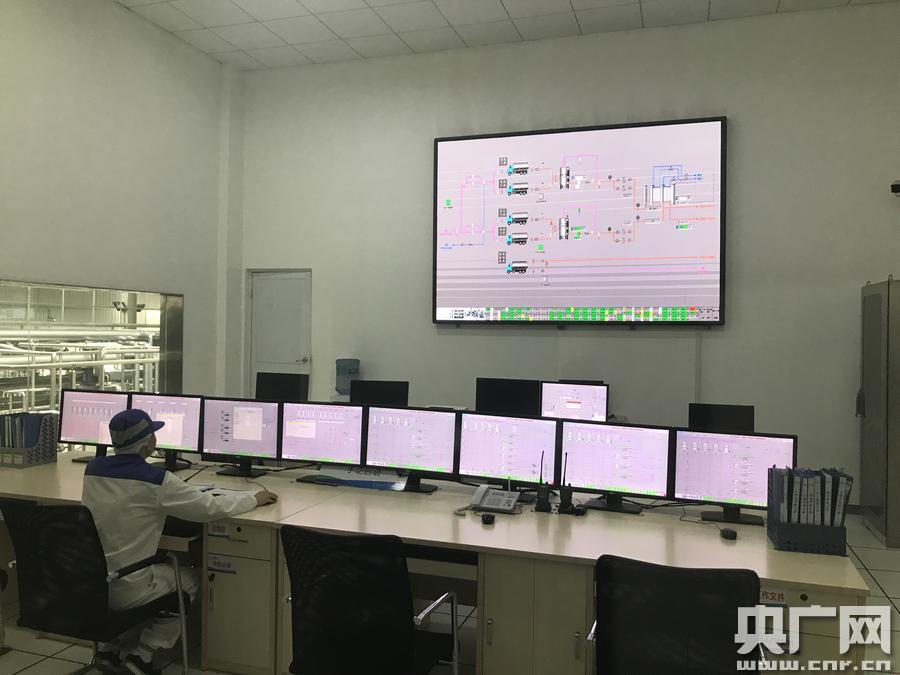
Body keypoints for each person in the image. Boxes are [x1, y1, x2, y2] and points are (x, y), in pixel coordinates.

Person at [82, 408, 278, 675]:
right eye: (153, 435)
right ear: (146, 443)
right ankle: (143, 656)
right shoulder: (157, 480)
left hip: (91, 584)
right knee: (190, 580)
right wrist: (253, 498)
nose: (156, 439)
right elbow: (210, 508)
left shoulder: (93, 470)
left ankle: (108, 649)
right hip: (129, 588)